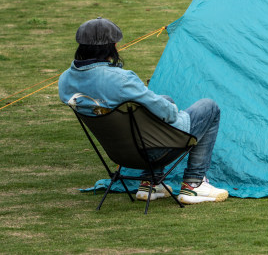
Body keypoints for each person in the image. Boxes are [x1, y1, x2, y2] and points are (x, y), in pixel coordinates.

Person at [59, 17, 228, 205]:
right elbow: (169, 114)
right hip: (152, 151)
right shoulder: (121, 79)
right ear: (112, 46)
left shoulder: (65, 81)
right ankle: (194, 184)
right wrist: (173, 111)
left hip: (120, 153)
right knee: (208, 107)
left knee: (164, 99)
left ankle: (150, 183)